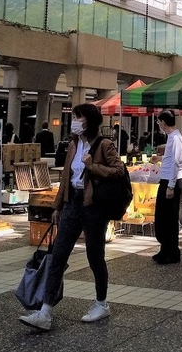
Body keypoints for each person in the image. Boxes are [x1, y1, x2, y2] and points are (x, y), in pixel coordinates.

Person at [19, 103, 124, 330]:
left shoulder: (104, 145)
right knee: (58, 255)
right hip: (71, 204)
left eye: (78, 117)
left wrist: (93, 166)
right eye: (74, 117)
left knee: (95, 256)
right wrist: (57, 206)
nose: (74, 122)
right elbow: (66, 177)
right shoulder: (73, 145)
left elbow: (119, 170)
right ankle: (45, 311)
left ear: (89, 121)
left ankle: (101, 303)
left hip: (93, 206)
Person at [153, 110, 182, 264]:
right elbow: (171, 159)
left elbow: (176, 162)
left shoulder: (176, 138)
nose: (158, 124)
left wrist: (170, 186)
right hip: (166, 180)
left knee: (169, 218)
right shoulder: (172, 137)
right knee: (163, 217)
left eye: (159, 121)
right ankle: (165, 249)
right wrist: (161, 158)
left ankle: (171, 252)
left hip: (171, 181)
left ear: (163, 122)